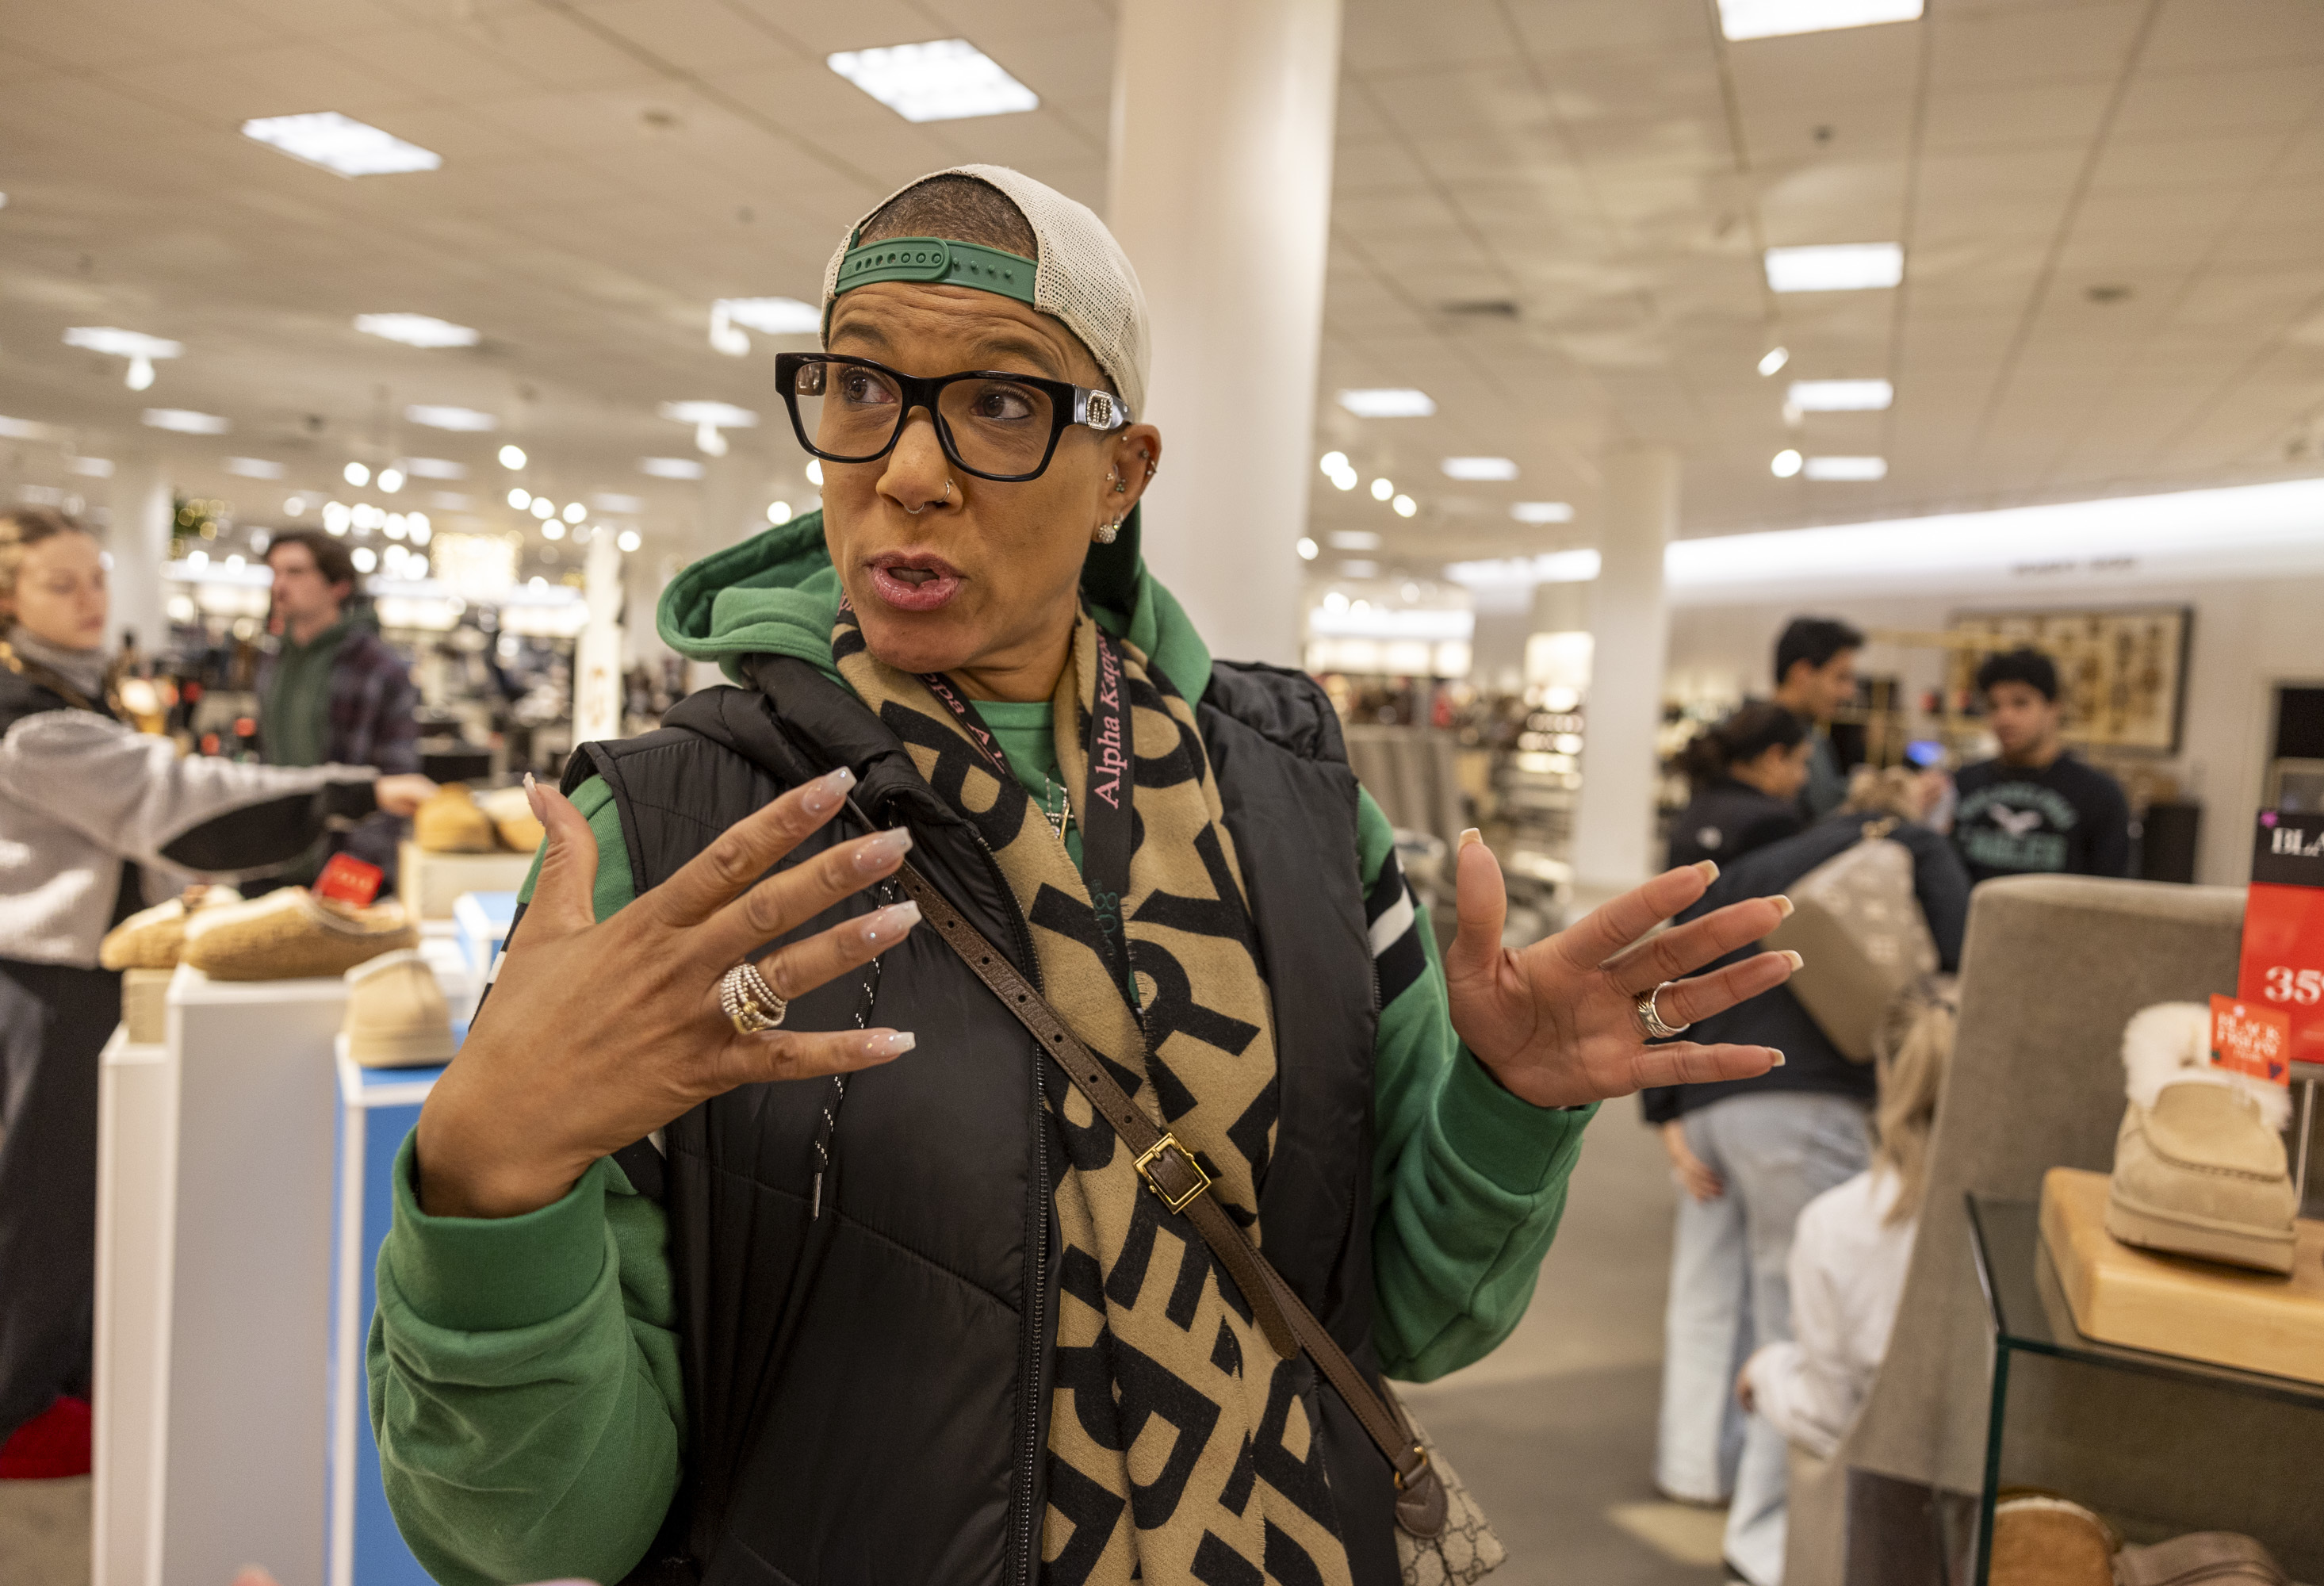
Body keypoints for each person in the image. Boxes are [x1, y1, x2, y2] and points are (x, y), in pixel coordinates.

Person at [366, 165, 1801, 1586]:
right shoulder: (671, 832)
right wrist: (490, 1188)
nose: (908, 471)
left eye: (1001, 403)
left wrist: (1506, 1107)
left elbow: (1413, 1321)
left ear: (1124, 472)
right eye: (861, 388)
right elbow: (540, 1530)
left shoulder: (1295, 806)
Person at [0, 507, 436, 1454]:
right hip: (55, 977)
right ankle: (19, 1404)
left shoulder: (73, 695)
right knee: (41, 1189)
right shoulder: (34, 721)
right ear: (11, 598)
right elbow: (175, 802)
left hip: (99, 959)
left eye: (95, 578)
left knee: (69, 1184)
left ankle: (54, 1374)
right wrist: (350, 792)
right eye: (61, 584)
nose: (90, 599)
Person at [1640, 768, 1968, 1586]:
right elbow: (1959, 971)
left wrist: (1666, 1108)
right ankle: (1765, 1538)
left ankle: (1692, 1470)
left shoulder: (1763, 864)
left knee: (1706, 1295)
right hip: (1808, 1101)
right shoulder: (1919, 848)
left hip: (1708, 1099)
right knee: (1794, 1318)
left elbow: (1674, 969)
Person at [1736, 977, 1955, 1459]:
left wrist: (1766, 1371)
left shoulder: (1836, 1226)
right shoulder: (2033, 1220)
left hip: (1888, 1478)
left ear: (1884, 1072)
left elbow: (1827, 1417)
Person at [256, 527, 421, 886]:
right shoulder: (273, 661)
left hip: (341, 862)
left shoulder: (379, 668)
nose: (279, 585)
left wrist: (358, 873)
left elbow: (397, 778)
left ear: (338, 586)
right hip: (271, 857)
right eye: (275, 572)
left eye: (295, 572)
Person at [1951, 646, 2131, 882]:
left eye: (2020, 703)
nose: (2005, 718)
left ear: (2054, 707)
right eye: (1994, 706)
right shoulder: (1961, 784)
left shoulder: (2099, 796)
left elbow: (2111, 892)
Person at [1667, 702, 1810, 870]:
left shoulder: (1697, 806)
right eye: (1802, 761)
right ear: (1775, 757)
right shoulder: (1776, 823)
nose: (1804, 778)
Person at [1771, 617, 1864, 822]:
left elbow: (1828, 803)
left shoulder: (1813, 735)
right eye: (1840, 678)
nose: (1849, 692)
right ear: (1802, 674)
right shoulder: (1756, 739)